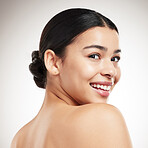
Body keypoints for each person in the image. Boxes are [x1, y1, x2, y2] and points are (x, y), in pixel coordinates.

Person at [11, 8, 132, 148]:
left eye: (114, 58)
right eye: (94, 56)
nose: (111, 71)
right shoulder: (102, 118)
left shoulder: (19, 139)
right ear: (53, 62)